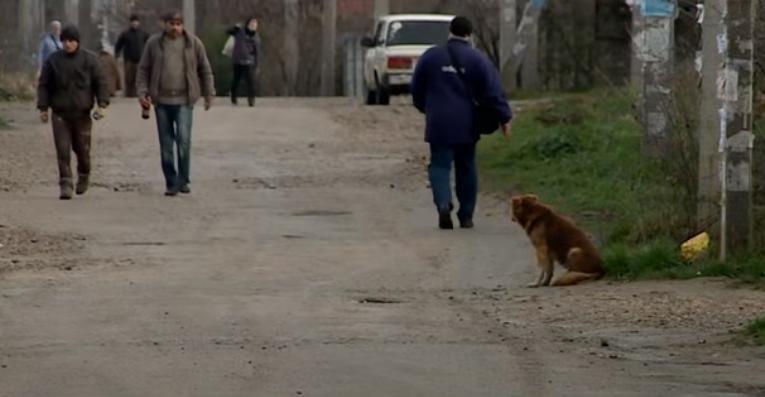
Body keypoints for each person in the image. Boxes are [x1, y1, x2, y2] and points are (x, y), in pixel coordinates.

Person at [411, 16, 512, 230]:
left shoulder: (430, 57)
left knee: (439, 164)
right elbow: (493, 92)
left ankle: (443, 204)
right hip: (467, 123)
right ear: (470, 34)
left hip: (438, 122)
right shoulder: (478, 59)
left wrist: (425, 107)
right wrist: (504, 117)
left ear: (450, 31)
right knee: (466, 167)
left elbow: (417, 88)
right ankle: (466, 216)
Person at [136, 10, 215, 197]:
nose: (175, 27)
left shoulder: (193, 43)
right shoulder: (154, 44)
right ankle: (171, 182)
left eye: (178, 23)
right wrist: (142, 93)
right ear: (165, 24)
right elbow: (143, 70)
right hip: (161, 101)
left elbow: (205, 69)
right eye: (172, 23)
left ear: (183, 25)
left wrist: (208, 93)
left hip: (184, 100)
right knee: (166, 144)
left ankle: (183, 179)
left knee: (183, 141)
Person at [37, 25, 109, 200]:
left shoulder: (89, 60)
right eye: (65, 41)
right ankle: (66, 183)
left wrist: (102, 104)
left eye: (71, 41)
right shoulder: (53, 61)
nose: (68, 44)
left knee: (82, 150)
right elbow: (44, 85)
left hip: (82, 114)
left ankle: (84, 174)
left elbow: (101, 82)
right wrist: (43, 107)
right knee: (63, 150)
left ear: (77, 42)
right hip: (60, 113)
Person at [226, 17, 260, 106]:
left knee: (250, 81)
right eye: (252, 23)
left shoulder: (256, 36)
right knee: (236, 80)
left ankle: (251, 99)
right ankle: (233, 96)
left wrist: (257, 63)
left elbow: (257, 51)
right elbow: (227, 32)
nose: (253, 25)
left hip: (249, 61)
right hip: (238, 60)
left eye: (255, 24)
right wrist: (234, 28)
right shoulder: (239, 31)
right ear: (248, 24)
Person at [114, 14, 149, 97]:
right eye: (133, 22)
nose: (134, 23)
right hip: (129, 59)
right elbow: (118, 45)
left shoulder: (143, 33)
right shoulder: (125, 34)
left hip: (140, 59)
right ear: (130, 23)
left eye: (136, 22)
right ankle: (129, 93)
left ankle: (138, 93)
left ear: (139, 23)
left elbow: (149, 44)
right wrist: (117, 54)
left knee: (139, 77)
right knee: (129, 77)